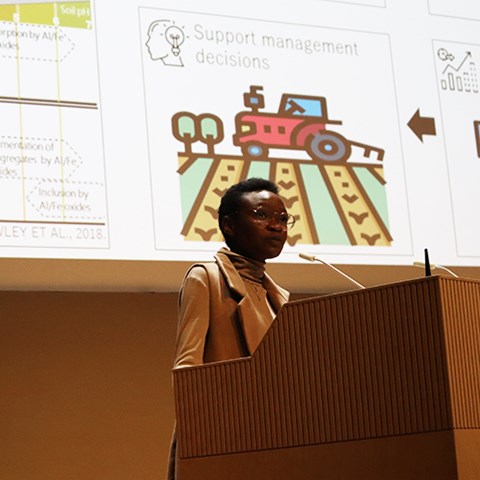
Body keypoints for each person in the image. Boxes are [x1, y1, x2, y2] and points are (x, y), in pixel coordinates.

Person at [167, 177, 294, 479]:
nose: (277, 226)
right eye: (261, 215)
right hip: (221, 436)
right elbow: (187, 368)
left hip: (274, 437)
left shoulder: (280, 298)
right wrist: (206, 436)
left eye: (282, 218)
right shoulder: (206, 279)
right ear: (229, 225)